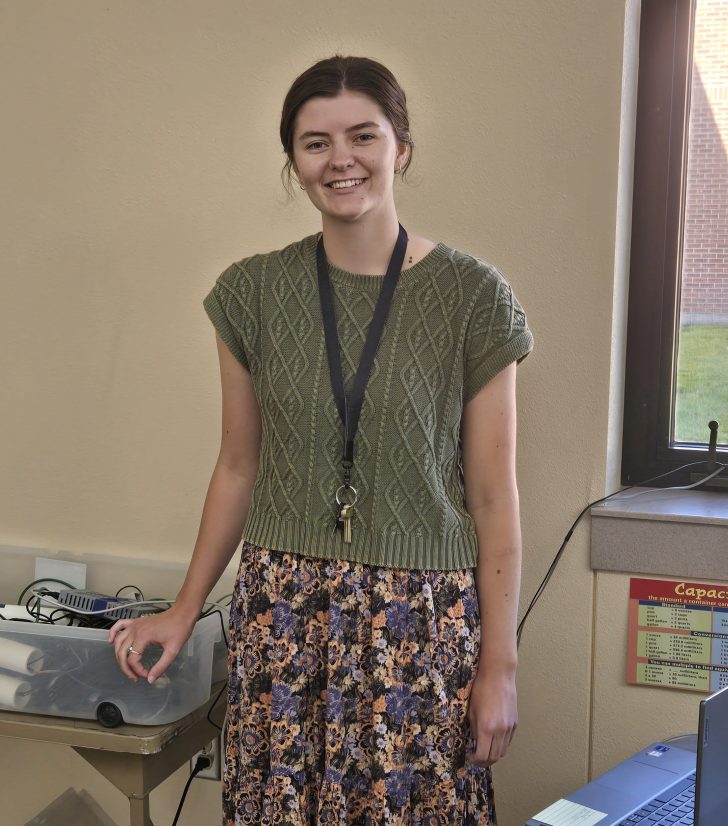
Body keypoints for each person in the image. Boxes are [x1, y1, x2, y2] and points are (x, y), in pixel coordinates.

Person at [109, 55, 533, 825]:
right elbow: (239, 464)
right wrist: (184, 607)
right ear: (295, 163)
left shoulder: (475, 298)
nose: (341, 159)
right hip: (283, 613)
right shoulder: (252, 293)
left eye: (362, 135)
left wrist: (499, 664)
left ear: (401, 146)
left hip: (420, 621)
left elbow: (494, 494)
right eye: (315, 142)